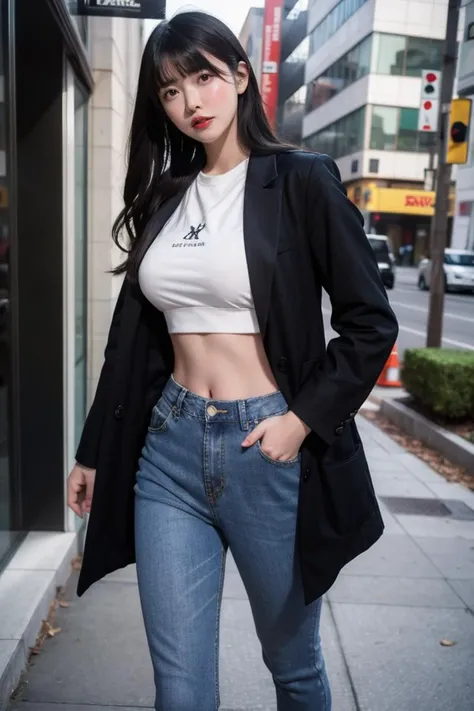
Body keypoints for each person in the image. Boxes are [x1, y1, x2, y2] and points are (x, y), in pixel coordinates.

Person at [67, 11, 398, 711]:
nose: (192, 101)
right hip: (168, 456)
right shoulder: (165, 199)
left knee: (293, 668)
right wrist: (94, 448)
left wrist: (300, 421)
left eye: (205, 77)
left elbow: (370, 322)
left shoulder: (300, 181)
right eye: (170, 90)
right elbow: (129, 344)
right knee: (180, 691)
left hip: (268, 450)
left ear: (241, 77)